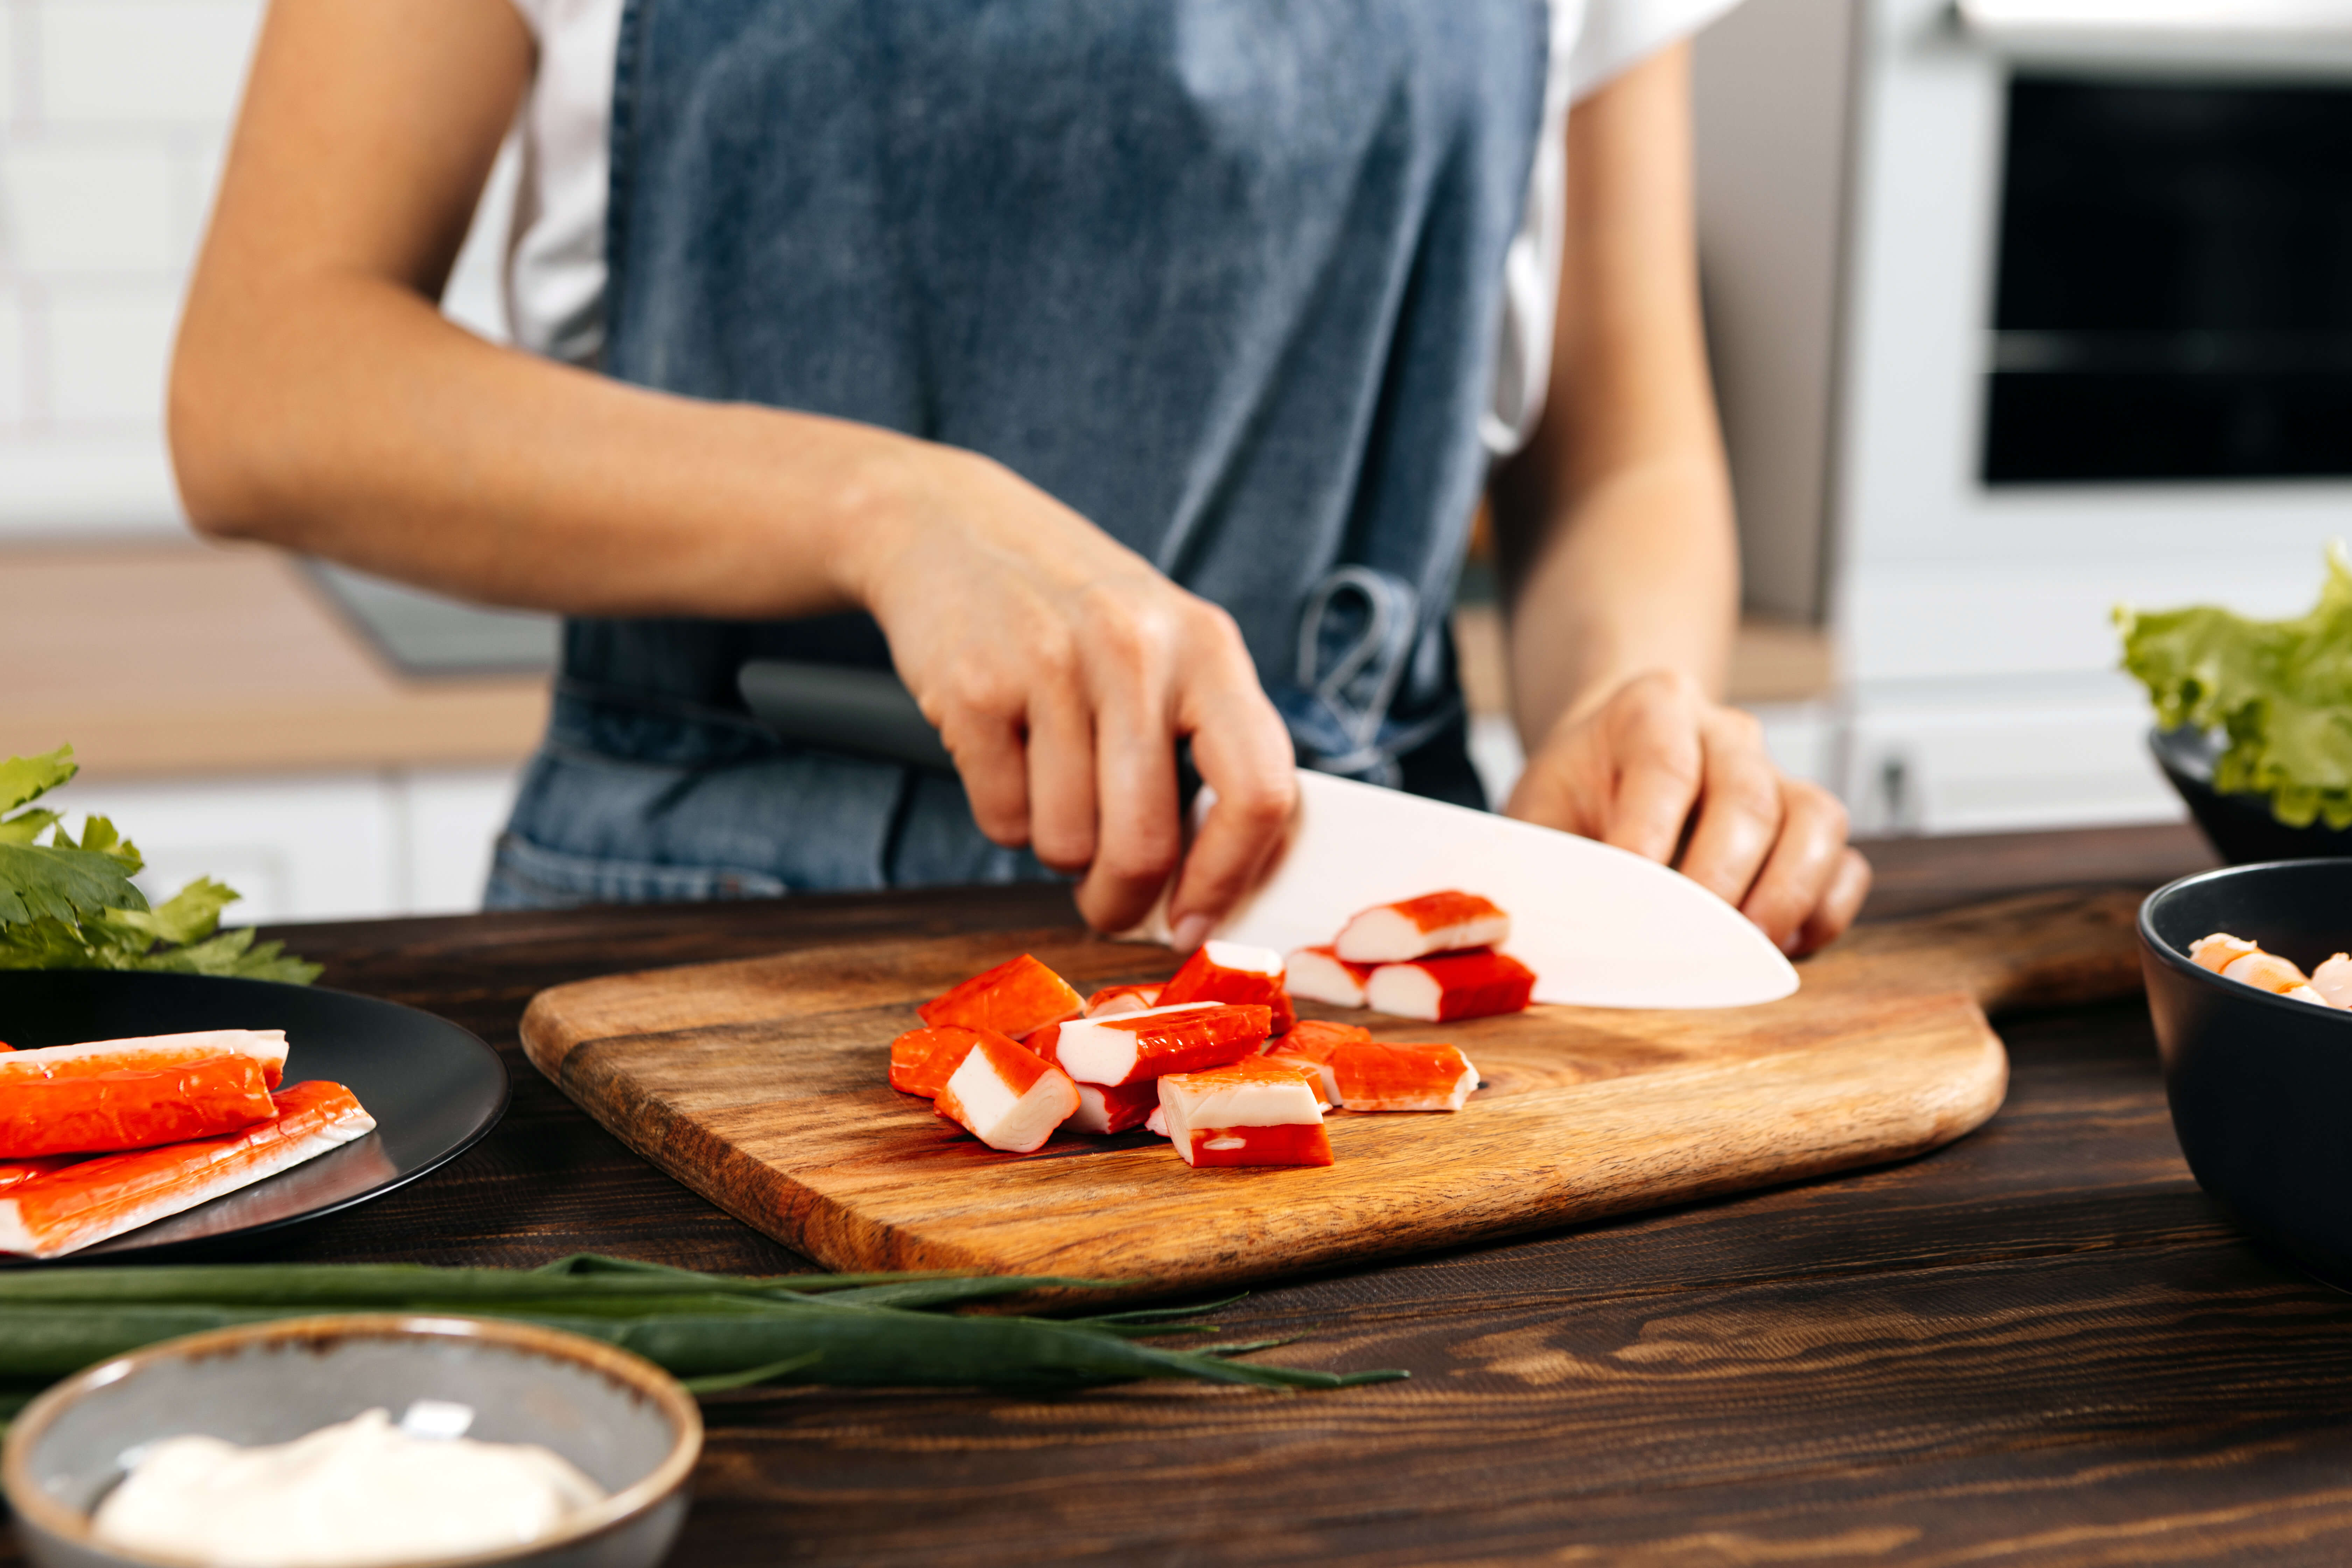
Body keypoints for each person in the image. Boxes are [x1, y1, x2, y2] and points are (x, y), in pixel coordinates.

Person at [172, 0, 1870, 956]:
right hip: (684, 932)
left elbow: (1622, 442)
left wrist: (1629, 698)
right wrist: (890, 510)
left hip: (1343, 922)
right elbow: (266, 388)